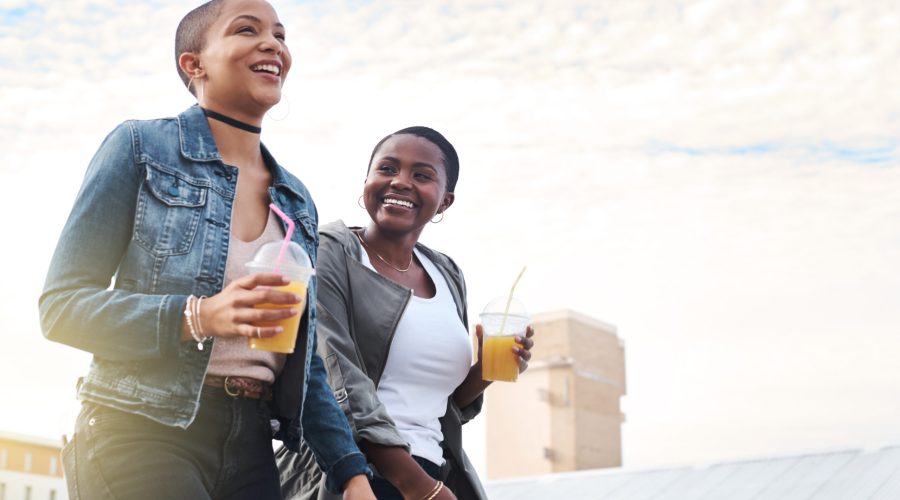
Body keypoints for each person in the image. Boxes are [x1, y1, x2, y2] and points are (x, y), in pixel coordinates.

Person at [38, 1, 375, 498]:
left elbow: (304, 364)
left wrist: (350, 472)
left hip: (252, 444)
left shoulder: (296, 201)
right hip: (140, 427)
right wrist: (200, 316)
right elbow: (61, 308)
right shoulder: (140, 147)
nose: (273, 44)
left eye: (280, 35)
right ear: (194, 64)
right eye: (247, 29)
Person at [275, 127, 536, 500]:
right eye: (387, 169)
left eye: (422, 175)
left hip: (431, 472)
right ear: (367, 182)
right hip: (352, 475)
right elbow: (338, 379)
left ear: (444, 201)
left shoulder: (447, 273)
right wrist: (416, 485)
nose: (400, 181)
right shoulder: (331, 251)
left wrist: (486, 370)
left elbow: (440, 407)